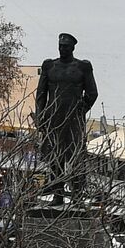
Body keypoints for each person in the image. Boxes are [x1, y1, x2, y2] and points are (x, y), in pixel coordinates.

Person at [33, 32, 99, 200]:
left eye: (66, 47)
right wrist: (41, 117)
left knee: (76, 156)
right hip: (54, 118)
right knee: (55, 157)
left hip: (73, 119)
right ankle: (57, 194)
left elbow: (92, 93)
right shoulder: (49, 66)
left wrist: (81, 109)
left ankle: (77, 195)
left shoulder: (82, 67)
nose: (62, 49)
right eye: (60, 46)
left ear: (72, 48)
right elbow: (41, 94)